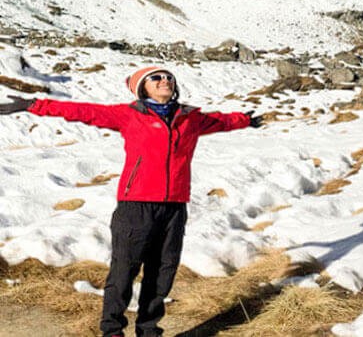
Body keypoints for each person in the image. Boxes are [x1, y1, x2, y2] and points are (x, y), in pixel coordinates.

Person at [0, 66, 263, 337]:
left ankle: (149, 329)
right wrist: (35, 104)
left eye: (169, 77)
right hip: (136, 206)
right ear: (142, 87)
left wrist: (244, 119)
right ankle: (112, 330)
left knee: (163, 273)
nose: (165, 80)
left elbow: (220, 121)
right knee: (124, 271)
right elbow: (83, 111)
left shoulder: (189, 118)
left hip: (174, 207)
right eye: (157, 78)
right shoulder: (129, 115)